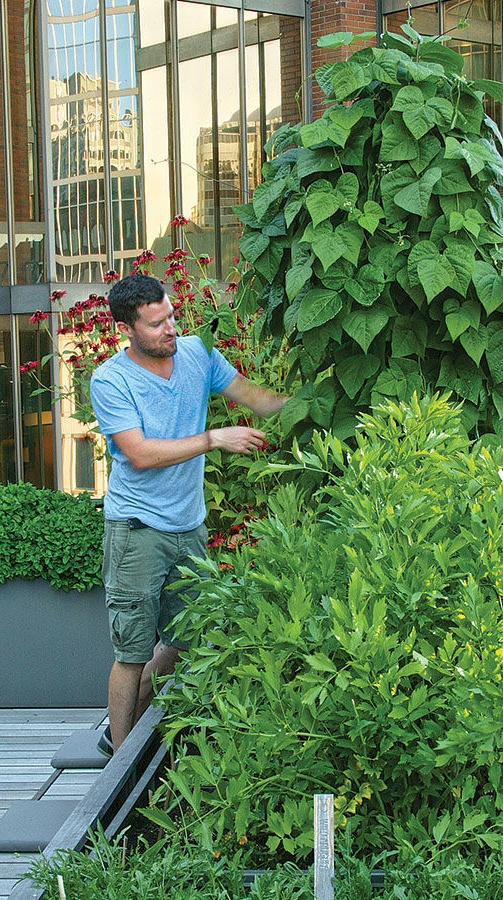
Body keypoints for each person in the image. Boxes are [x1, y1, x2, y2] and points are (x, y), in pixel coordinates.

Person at [90, 272, 288, 753]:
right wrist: (214, 438)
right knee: (132, 653)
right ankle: (120, 758)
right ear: (128, 329)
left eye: (172, 316)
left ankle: (131, 725)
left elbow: (258, 400)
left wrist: (323, 403)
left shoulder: (198, 353)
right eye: (157, 324)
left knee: (186, 639)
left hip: (188, 526)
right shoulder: (111, 380)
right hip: (137, 530)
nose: (171, 329)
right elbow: (139, 453)